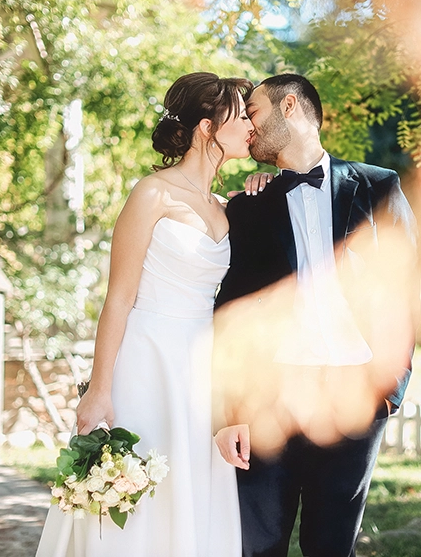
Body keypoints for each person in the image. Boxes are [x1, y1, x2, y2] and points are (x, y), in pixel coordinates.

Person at [35, 72, 256, 557]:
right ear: (206, 126)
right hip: (147, 357)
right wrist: (98, 389)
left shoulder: (228, 207)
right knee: (138, 492)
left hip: (201, 367)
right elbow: (118, 298)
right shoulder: (152, 194)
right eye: (241, 115)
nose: (250, 125)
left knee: (193, 488)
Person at [214, 74, 418, 557]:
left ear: (290, 107)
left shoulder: (379, 187)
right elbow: (229, 313)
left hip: (356, 399)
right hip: (269, 403)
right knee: (259, 545)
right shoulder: (249, 207)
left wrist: (390, 390)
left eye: (254, 112)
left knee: (332, 547)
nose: (248, 126)